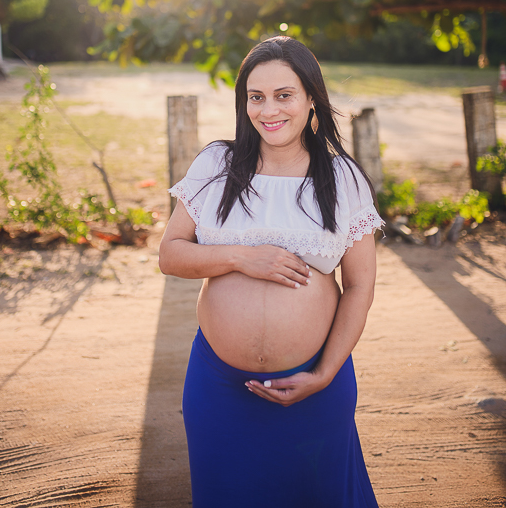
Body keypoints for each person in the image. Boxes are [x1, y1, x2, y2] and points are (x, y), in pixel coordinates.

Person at [159, 36, 384, 508]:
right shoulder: (216, 164)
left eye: (284, 95)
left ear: (311, 98)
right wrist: (242, 257)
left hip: (314, 386)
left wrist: (324, 373)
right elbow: (171, 255)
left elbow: (360, 286)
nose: (268, 110)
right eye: (256, 97)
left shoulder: (342, 178)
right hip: (220, 387)